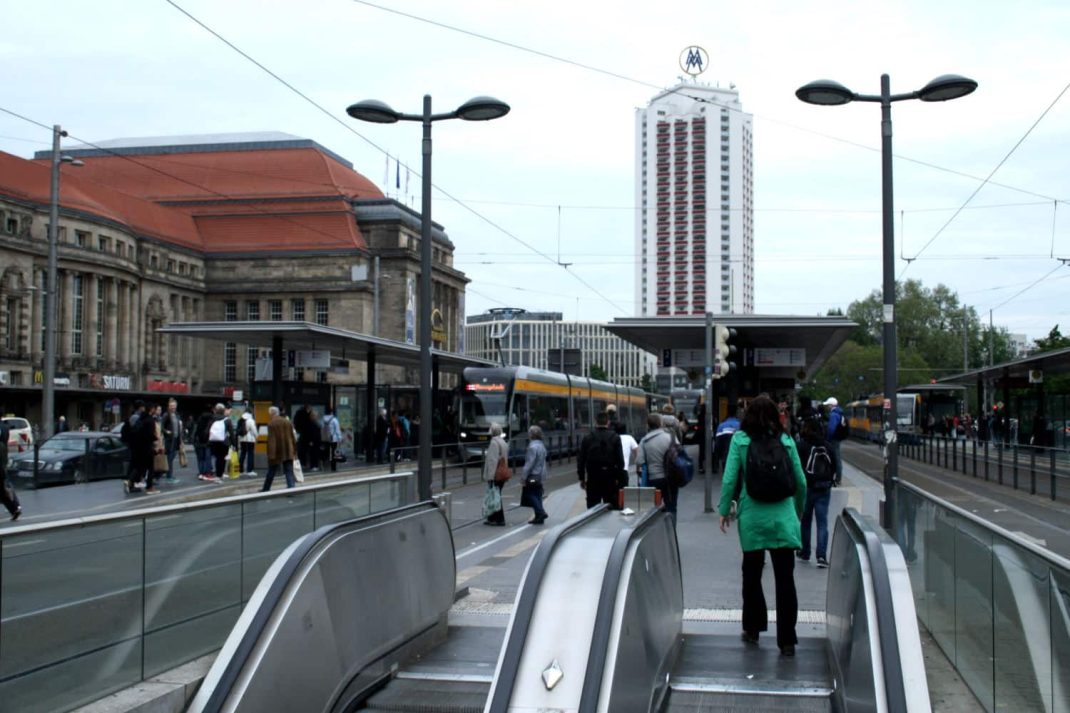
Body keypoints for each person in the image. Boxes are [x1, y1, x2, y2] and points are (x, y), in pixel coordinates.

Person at [718, 395, 807, 656]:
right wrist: (798, 508)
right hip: (783, 517)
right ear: (775, 415)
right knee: (785, 579)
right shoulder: (787, 440)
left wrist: (724, 510)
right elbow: (800, 481)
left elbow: (729, 478)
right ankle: (787, 640)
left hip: (752, 517)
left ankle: (753, 629)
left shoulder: (740, 440)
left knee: (752, 574)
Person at [796, 417, 837, 567]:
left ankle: (805, 551)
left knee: (805, 521)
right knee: (822, 522)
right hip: (824, 487)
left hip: (807, 487)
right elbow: (835, 465)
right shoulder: (828, 446)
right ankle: (821, 556)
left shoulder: (801, 446)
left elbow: (796, 467)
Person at [578, 411, 625, 509]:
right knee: (612, 506)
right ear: (608, 422)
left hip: (593, 477)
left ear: (596, 422)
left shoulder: (587, 438)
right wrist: (619, 478)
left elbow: (581, 460)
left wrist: (582, 478)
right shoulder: (615, 437)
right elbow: (620, 461)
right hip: (610, 477)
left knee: (593, 508)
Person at [636, 412, 677, 518]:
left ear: (648, 425)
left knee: (652, 510)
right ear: (661, 424)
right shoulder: (671, 438)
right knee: (671, 507)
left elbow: (639, 461)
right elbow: (678, 455)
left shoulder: (644, 441)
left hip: (653, 479)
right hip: (670, 479)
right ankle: (671, 531)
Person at [262, 406, 297, 491]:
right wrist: (294, 450)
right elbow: (292, 437)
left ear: (272, 413)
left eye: (269, 414)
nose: (269, 415)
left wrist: (270, 454)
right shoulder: (287, 422)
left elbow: (271, 440)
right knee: (289, 470)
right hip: (288, 449)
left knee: (271, 470)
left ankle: (266, 488)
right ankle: (291, 488)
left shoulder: (271, 424)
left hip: (276, 450)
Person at [521, 425, 549, 524]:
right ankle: (538, 517)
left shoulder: (532, 447)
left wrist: (523, 477)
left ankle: (541, 512)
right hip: (540, 475)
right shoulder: (541, 445)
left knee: (530, 494)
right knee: (537, 494)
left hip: (533, 476)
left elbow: (529, 463)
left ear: (531, 435)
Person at [482, 422, 508, 526]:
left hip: (496, 474)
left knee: (495, 496)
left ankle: (499, 519)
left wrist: (490, 477)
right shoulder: (503, 442)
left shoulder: (493, 443)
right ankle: (492, 517)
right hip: (502, 473)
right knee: (495, 495)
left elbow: (492, 462)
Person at [0, 419, 22, 520]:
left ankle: (15, 508)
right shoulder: (5, 428)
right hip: (2, 466)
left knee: (4, 489)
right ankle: (15, 508)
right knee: (3, 490)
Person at [161, 398, 184, 484]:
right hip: (169, 440)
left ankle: (168, 474)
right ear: (168, 406)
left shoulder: (177, 415)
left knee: (171, 458)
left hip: (176, 439)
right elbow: (162, 427)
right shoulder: (166, 415)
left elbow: (179, 427)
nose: (173, 407)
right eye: (171, 406)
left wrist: (181, 439)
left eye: (174, 406)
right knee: (169, 459)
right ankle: (169, 476)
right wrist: (167, 431)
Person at [823, 397, 845, 484]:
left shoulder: (833, 415)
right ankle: (838, 477)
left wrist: (828, 438)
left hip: (833, 440)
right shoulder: (839, 413)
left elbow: (831, 429)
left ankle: (838, 478)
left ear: (831, 405)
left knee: (836, 458)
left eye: (828, 405)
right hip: (837, 438)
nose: (827, 407)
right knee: (837, 457)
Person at [207, 403, 231, 482]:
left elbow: (207, 430)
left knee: (217, 458)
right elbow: (231, 433)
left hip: (214, 442)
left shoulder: (212, 419)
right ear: (223, 411)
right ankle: (220, 474)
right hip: (224, 442)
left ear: (216, 411)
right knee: (222, 458)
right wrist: (234, 444)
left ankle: (218, 475)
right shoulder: (227, 420)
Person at [194, 406, 215, 481]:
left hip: (199, 441)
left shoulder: (200, 418)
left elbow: (196, 431)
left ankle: (201, 473)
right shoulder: (211, 419)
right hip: (207, 441)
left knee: (201, 458)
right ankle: (207, 473)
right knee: (207, 458)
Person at [322, 407, 342, 471]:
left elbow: (321, 428)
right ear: (332, 412)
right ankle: (333, 467)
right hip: (333, 438)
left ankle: (325, 465)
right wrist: (340, 438)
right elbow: (337, 430)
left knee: (326, 452)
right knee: (334, 453)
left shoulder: (323, 419)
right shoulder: (334, 420)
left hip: (325, 438)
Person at [239, 407, 257, 477]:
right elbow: (254, 430)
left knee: (242, 454)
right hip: (250, 439)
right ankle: (250, 470)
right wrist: (256, 436)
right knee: (250, 454)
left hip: (242, 439)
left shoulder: (241, 419)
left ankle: (241, 470)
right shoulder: (250, 420)